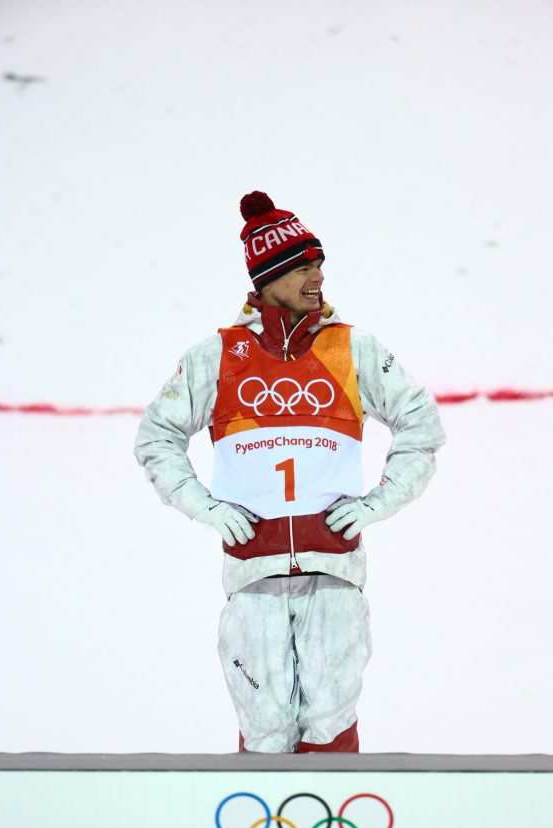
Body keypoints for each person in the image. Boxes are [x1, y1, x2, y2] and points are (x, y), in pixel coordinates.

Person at [134, 191, 445, 753]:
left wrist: (380, 502)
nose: (316, 278)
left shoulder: (352, 347)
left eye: (319, 265)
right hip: (252, 579)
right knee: (265, 729)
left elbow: (421, 423)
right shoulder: (216, 356)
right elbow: (157, 437)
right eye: (302, 267)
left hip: (335, 574)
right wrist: (206, 507)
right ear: (267, 277)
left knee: (330, 719)